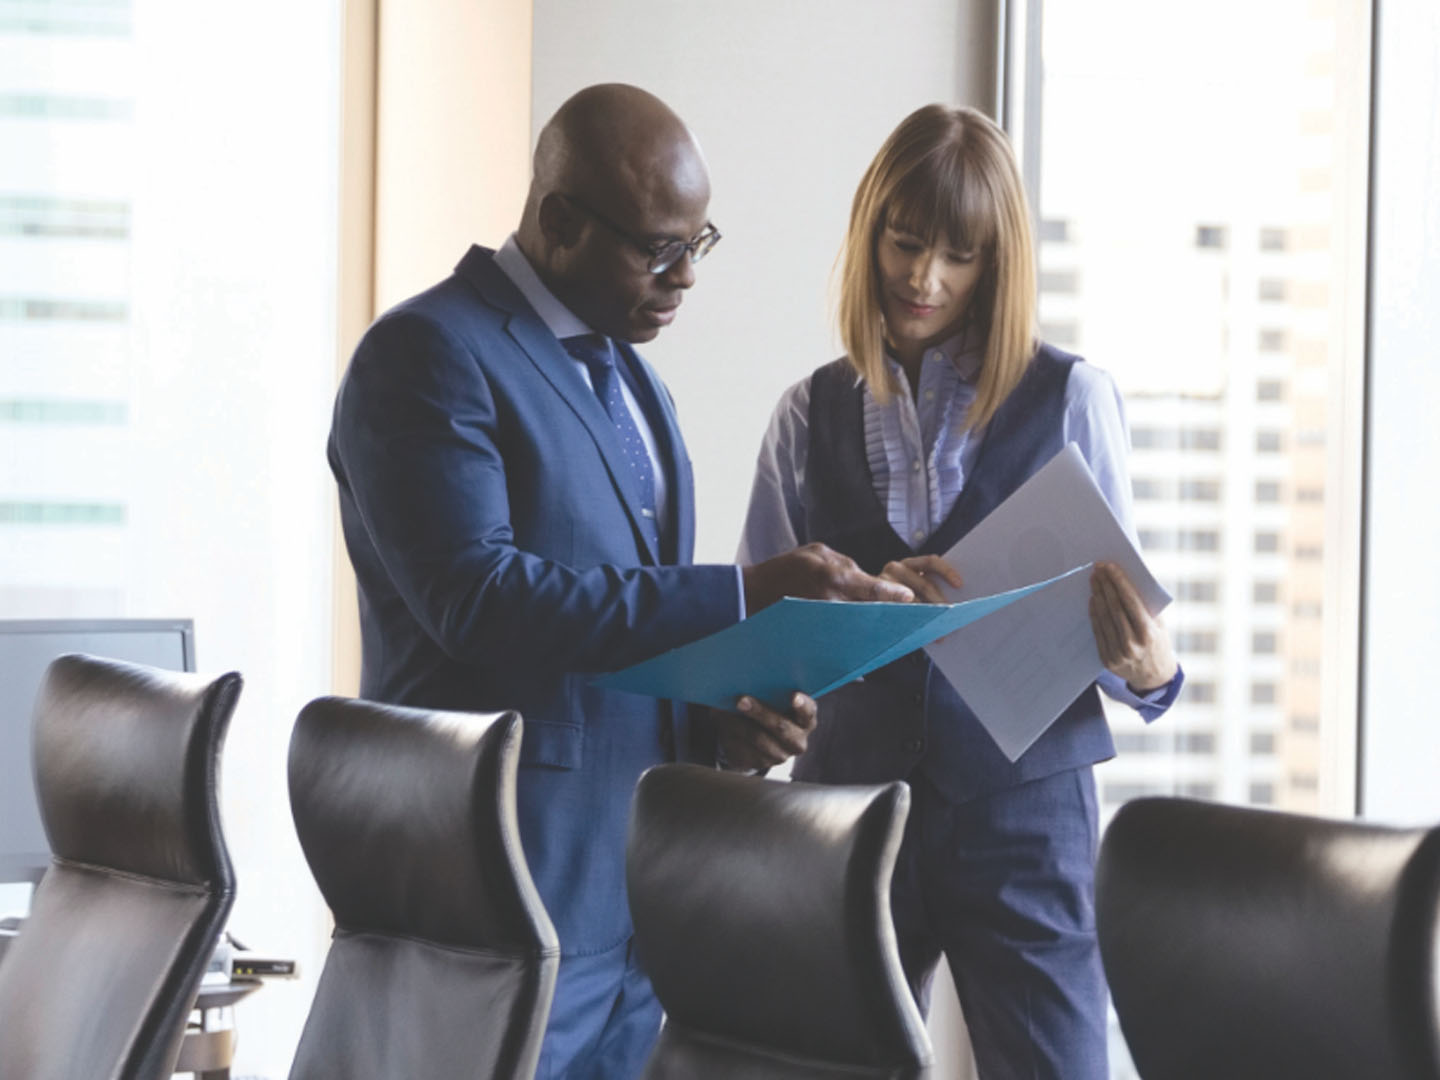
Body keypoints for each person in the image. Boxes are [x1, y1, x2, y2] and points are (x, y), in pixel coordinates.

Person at [327, 84, 912, 1079]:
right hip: (502, 904)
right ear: (557, 220)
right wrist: (740, 596)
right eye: (657, 249)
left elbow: (624, 638)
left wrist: (720, 720)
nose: (685, 278)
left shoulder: (638, 378)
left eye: (699, 244)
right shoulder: (426, 355)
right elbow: (477, 599)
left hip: (637, 910)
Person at [737, 104, 1183, 1079]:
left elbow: (1134, 645)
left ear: (998, 264)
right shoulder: (804, 417)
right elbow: (759, 660)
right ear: (870, 237)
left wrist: (1153, 670)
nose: (924, 279)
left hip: (1027, 826)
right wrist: (843, 611)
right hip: (850, 822)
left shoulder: (1073, 399)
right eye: (903, 244)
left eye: (959, 257)